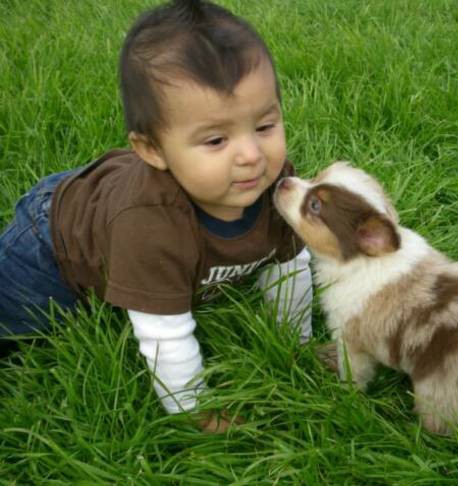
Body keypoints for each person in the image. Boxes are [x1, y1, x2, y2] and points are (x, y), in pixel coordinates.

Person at [0, 0, 313, 432]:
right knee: (15, 327)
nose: (252, 155)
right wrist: (194, 411)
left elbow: (289, 263)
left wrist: (295, 342)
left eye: (264, 126)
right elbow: (164, 334)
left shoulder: (275, 185)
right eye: (217, 139)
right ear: (152, 150)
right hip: (53, 244)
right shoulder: (150, 225)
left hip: (110, 200)